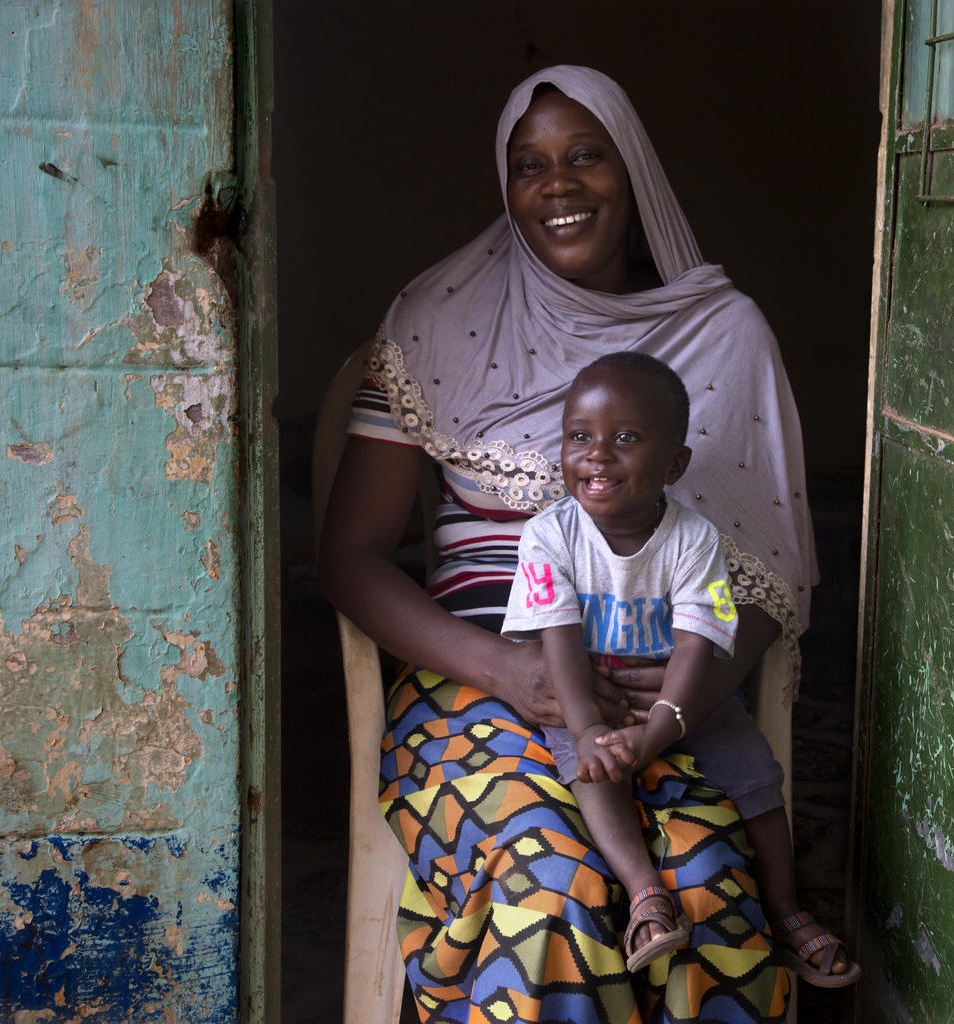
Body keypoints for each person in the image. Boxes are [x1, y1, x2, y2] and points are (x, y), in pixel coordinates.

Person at [320, 64, 823, 1022]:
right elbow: (351, 555)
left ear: (632, 169)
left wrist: (682, 700)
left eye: (586, 155)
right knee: (550, 890)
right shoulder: (437, 323)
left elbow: (765, 571)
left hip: (661, 692)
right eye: (529, 165)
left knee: (707, 887)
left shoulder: (722, 334)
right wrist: (512, 675)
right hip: (473, 681)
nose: (558, 184)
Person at [502, 352, 861, 986]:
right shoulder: (547, 537)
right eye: (579, 436)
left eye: (626, 439)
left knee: (758, 777)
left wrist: (665, 723)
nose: (598, 454)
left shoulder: (698, 541)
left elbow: (700, 640)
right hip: (590, 693)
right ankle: (648, 897)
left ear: (674, 465)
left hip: (684, 693)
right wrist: (588, 730)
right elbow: (556, 640)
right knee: (594, 774)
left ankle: (785, 908)